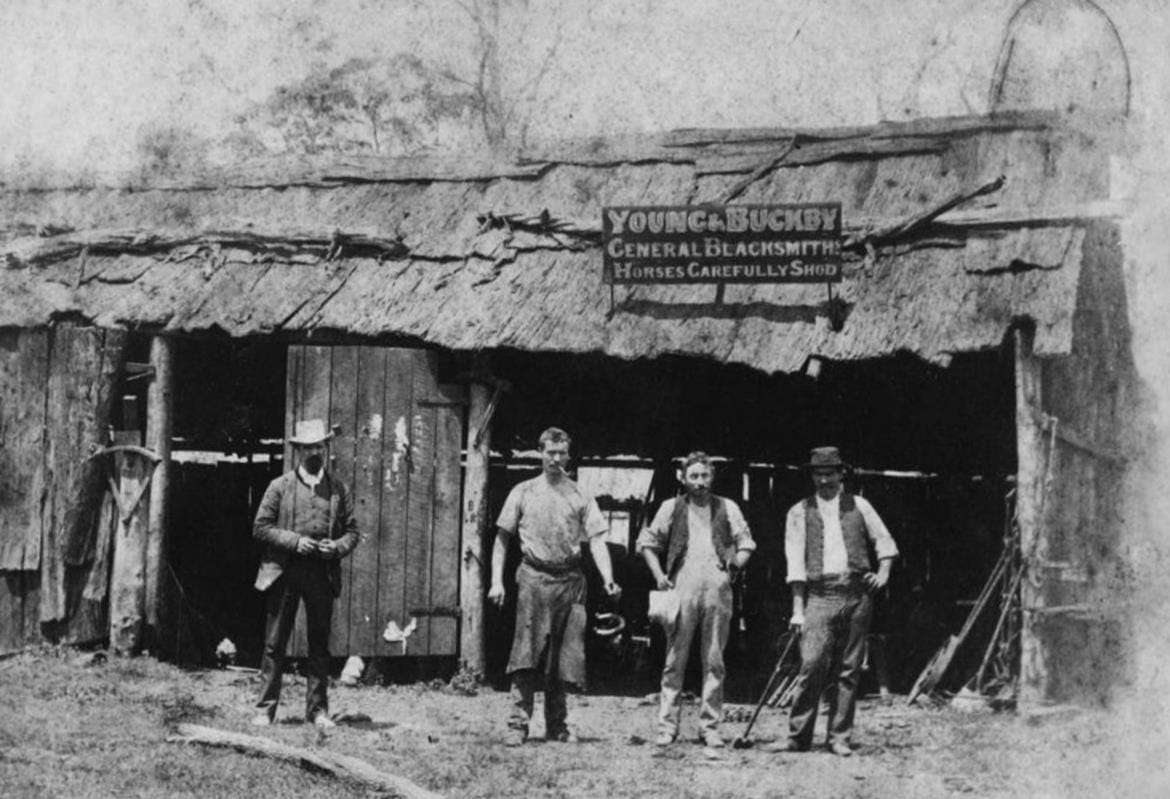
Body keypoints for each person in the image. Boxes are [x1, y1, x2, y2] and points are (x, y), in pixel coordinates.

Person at [488, 426, 621, 746]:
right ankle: (517, 725)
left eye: (562, 453)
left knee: (563, 659)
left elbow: (598, 540)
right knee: (526, 654)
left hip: (570, 581)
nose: (556, 458)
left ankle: (557, 725)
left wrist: (608, 578)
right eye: (550, 452)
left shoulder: (580, 494)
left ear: (568, 455)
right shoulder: (523, 491)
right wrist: (496, 581)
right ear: (540, 453)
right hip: (533, 578)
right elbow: (502, 539)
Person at [777, 446, 898, 756]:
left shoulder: (860, 505)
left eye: (830, 473)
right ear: (812, 476)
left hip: (857, 593)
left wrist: (882, 573)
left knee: (849, 668)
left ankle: (839, 737)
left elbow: (884, 541)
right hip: (820, 594)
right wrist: (797, 610)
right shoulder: (798, 512)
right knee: (812, 664)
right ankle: (798, 736)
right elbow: (795, 565)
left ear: (841, 473)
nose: (825, 480)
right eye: (819, 474)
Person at [637, 452, 755, 749]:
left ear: (712, 477)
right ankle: (667, 727)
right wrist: (659, 575)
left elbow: (747, 543)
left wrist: (733, 568)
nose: (700, 482)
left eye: (705, 476)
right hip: (682, 585)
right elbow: (648, 544)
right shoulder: (671, 508)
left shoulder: (727, 507)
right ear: (683, 478)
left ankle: (710, 728)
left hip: (717, 587)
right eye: (694, 476)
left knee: (714, 659)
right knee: (674, 659)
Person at [250, 418, 360, 727]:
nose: (314, 452)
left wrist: (336, 547)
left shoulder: (338, 489)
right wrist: (294, 541)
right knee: (274, 643)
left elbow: (353, 532)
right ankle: (265, 709)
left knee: (319, 644)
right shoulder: (280, 487)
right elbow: (260, 527)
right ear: (298, 450)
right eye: (308, 447)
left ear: (325, 448)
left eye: (319, 446)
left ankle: (317, 711)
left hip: (321, 575)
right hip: (284, 572)